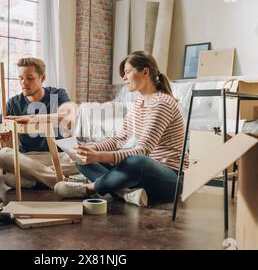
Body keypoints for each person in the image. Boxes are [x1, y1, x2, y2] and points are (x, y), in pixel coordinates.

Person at [54, 51, 189, 206]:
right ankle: (125, 193)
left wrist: (99, 156)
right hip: (142, 176)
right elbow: (120, 138)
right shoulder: (139, 102)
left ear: (145, 72)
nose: (124, 78)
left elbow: (142, 151)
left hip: (170, 179)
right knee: (81, 159)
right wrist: (90, 149)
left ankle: (89, 188)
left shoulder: (162, 103)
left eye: (127, 72)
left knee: (136, 161)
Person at [0, 57, 78, 189]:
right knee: (3, 155)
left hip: (61, 155)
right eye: (21, 78)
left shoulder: (57, 94)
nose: (24, 83)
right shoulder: (13, 103)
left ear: (42, 78)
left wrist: (31, 119)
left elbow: (68, 118)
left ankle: (36, 178)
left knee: (11, 179)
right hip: (30, 158)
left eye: (30, 78)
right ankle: (58, 180)